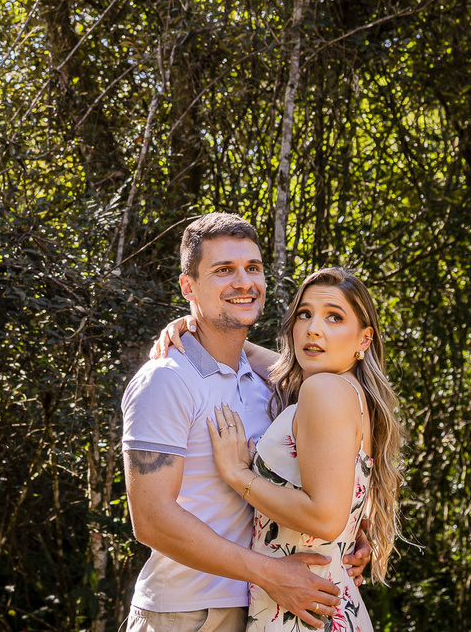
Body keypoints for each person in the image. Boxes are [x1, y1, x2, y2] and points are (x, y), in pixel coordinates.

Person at [121, 213, 364, 632]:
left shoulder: (270, 382)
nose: (243, 282)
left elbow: (339, 460)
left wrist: (357, 531)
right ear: (188, 287)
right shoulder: (166, 379)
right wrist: (270, 573)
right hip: (187, 613)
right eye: (223, 270)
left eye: (252, 267)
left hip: (268, 608)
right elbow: (151, 519)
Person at [206, 267, 403, 631]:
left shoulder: (323, 391)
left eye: (334, 317)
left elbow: (325, 518)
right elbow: (278, 366)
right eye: (304, 314)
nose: (314, 328)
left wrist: (238, 475)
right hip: (326, 603)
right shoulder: (353, 395)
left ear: (364, 339)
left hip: (302, 612)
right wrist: (201, 328)